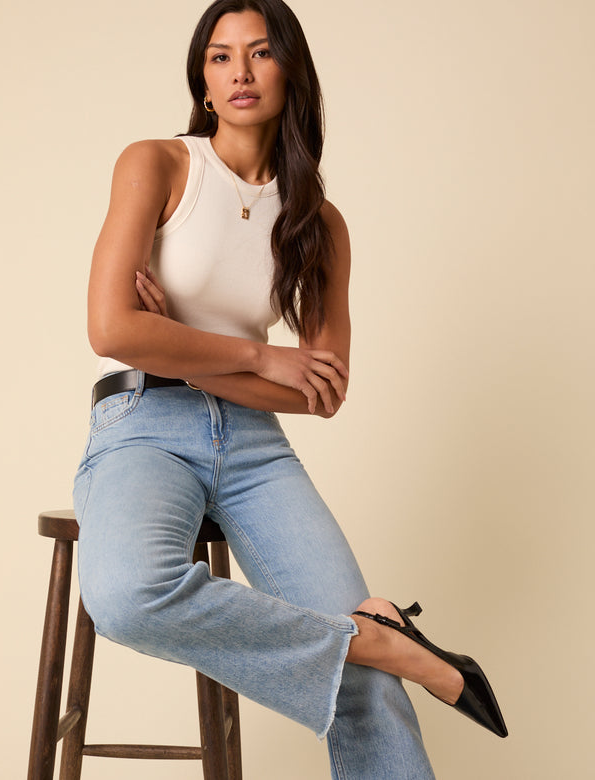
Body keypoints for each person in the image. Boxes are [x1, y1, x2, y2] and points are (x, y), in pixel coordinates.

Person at [73, 0, 507, 777]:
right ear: (204, 83)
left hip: (254, 448)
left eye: (261, 52)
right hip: (143, 422)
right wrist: (262, 357)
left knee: (369, 691)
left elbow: (322, 392)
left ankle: (371, 649)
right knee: (129, 595)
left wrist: (183, 347)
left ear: (290, 71)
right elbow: (111, 330)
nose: (240, 71)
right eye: (220, 56)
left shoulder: (319, 222)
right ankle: (374, 639)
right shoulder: (158, 164)